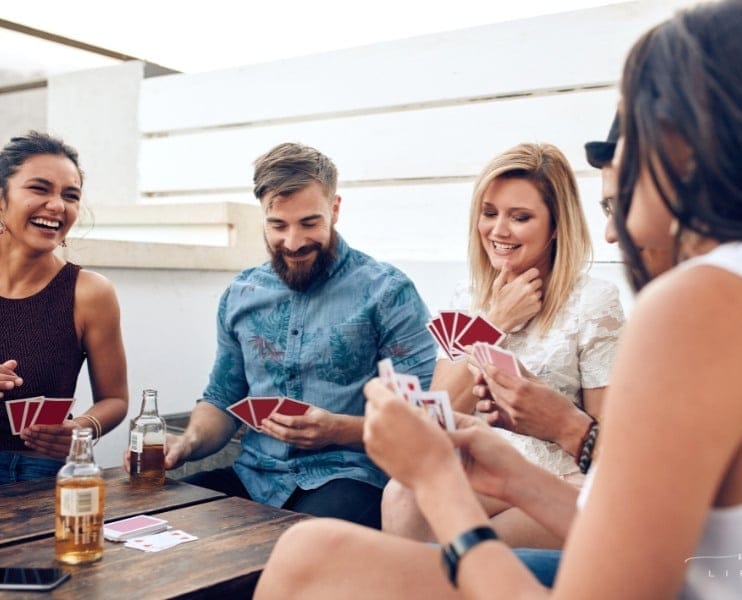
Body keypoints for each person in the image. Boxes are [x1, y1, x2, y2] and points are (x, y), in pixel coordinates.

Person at [254, 0, 742, 598]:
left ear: (681, 145)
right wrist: (514, 476)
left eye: (627, 141)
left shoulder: (708, 305)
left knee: (308, 560)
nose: (616, 214)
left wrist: (439, 483)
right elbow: (688, 545)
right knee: (320, 549)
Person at [154, 142, 435, 528]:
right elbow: (222, 398)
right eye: (277, 225)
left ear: (335, 209)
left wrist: (338, 429)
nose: (293, 242)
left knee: (298, 551)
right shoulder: (242, 294)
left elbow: (422, 419)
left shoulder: (388, 293)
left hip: (351, 479)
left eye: (309, 223)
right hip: (254, 477)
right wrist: (187, 444)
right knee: (161, 524)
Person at [381, 142, 624, 548]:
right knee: (401, 494)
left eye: (521, 217)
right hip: (485, 465)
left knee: (470, 549)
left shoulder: (594, 302)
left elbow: (607, 441)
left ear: (556, 225)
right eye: (489, 214)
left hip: (559, 477)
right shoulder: (468, 296)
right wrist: (494, 322)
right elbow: (439, 410)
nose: (498, 231)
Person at [0, 131, 128, 483]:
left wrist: (81, 429)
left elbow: (114, 399)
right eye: (40, 189)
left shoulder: (91, 292)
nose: (57, 205)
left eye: (70, 196)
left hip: (45, 471)